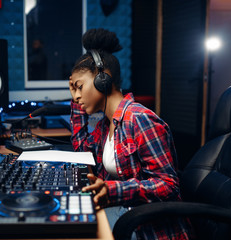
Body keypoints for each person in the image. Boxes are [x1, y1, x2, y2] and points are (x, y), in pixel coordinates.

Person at [69, 28, 193, 239]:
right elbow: (82, 152)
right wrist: (76, 102)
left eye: (79, 87)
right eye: (72, 90)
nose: (76, 96)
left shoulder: (140, 120)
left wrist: (113, 190)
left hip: (152, 228)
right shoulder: (105, 125)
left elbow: (168, 185)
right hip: (127, 213)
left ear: (103, 80)